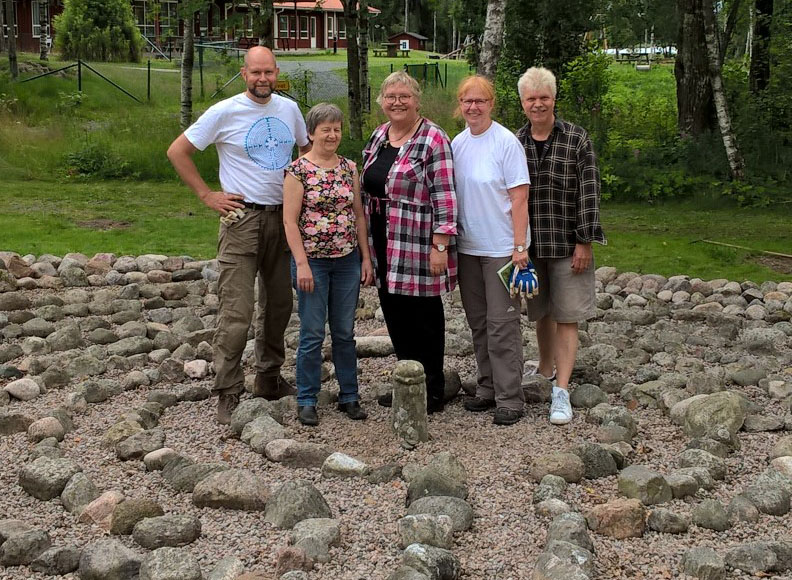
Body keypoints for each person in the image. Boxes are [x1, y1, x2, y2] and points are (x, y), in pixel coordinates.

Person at [167, 46, 311, 425]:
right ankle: (228, 390)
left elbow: (306, 152)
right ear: (244, 73)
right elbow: (178, 151)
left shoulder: (289, 110)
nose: (263, 79)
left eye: (269, 73)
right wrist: (206, 194)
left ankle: (268, 377)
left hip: (282, 221)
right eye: (256, 73)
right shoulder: (224, 111)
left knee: (279, 304)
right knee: (237, 311)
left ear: (277, 73)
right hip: (242, 219)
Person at [360, 71, 457, 414]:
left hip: (417, 241)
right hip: (382, 238)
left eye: (404, 96)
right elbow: (366, 185)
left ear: (417, 100)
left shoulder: (433, 139)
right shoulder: (379, 136)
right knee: (394, 313)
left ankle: (432, 389)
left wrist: (440, 245)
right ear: (382, 102)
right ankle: (408, 381)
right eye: (390, 97)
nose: (397, 102)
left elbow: (445, 196)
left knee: (424, 317)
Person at [515, 67, 606, 426]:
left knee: (567, 315)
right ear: (522, 103)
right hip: (531, 246)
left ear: (554, 99)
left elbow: (589, 192)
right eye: (531, 98)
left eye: (544, 97)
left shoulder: (577, 139)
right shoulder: (514, 141)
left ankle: (562, 391)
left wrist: (585, 240)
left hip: (569, 244)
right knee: (541, 312)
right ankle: (545, 367)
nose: (538, 104)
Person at [283, 103, 374, 426]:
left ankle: (349, 394)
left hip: (346, 260)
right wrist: (302, 264)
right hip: (313, 264)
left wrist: (365, 257)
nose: (332, 135)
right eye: (325, 130)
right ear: (311, 133)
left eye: (336, 129)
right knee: (311, 332)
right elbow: (290, 222)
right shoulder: (298, 171)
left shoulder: (349, 167)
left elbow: (359, 215)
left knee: (345, 332)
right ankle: (307, 397)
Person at [451, 75, 531, 426]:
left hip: (501, 247)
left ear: (491, 104)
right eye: (467, 101)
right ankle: (487, 386)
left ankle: (510, 396)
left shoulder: (506, 143)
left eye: (479, 101)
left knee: (502, 323)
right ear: (460, 105)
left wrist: (519, 246)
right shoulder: (457, 144)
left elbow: (519, 197)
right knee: (479, 322)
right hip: (468, 247)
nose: (473, 107)